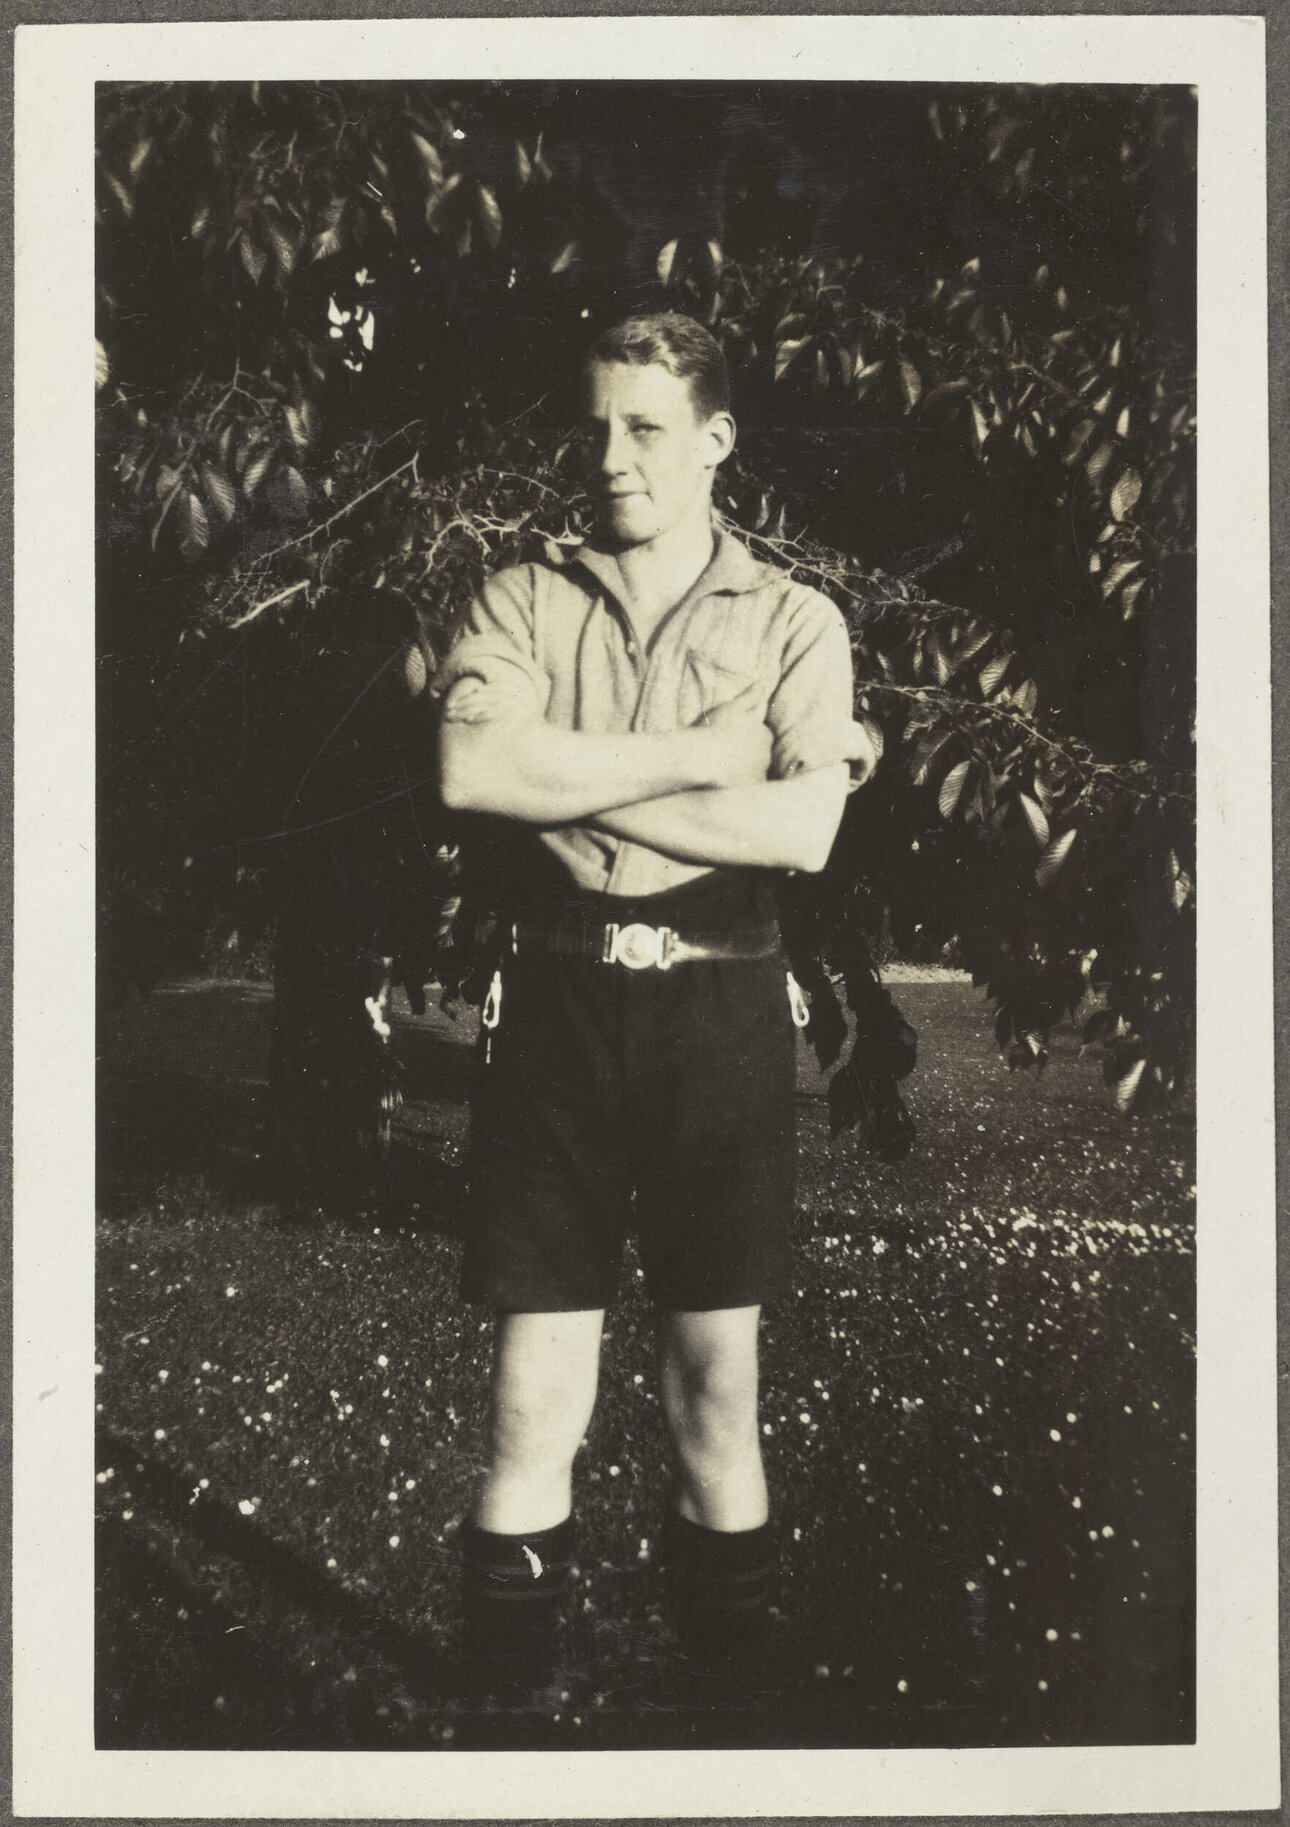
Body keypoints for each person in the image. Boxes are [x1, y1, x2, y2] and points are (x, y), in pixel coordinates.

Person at [432, 311, 876, 1710]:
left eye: (646, 428)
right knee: (530, 1398)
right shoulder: (519, 596)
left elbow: (801, 829)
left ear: (715, 439)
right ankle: (498, 1741)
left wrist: (561, 777)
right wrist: (699, 757)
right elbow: (472, 776)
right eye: (595, 428)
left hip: (718, 1009)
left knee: (715, 1392)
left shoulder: (796, 618)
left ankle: (727, 1737)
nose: (612, 458)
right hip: (553, 1010)